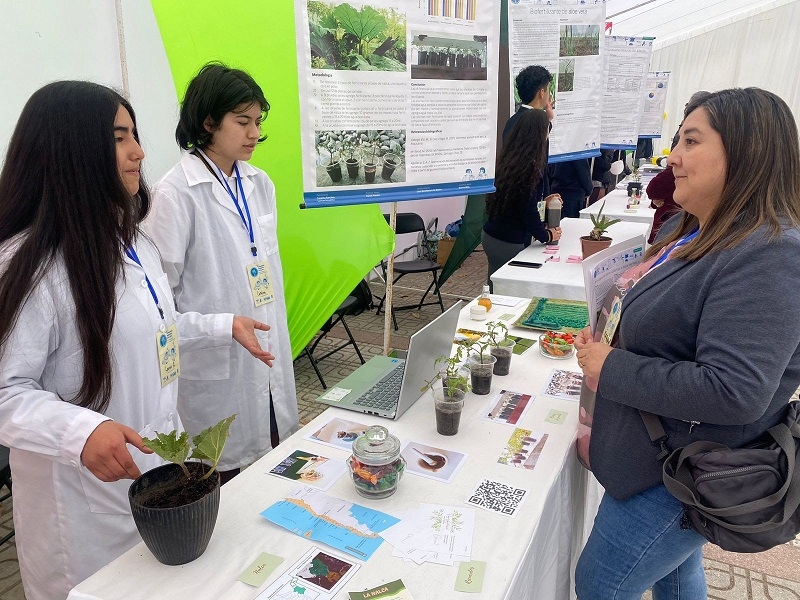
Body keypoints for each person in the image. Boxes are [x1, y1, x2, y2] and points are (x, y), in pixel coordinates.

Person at [0, 81, 276, 600]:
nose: (139, 151)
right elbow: (6, 391)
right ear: (70, 149)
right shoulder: (27, 266)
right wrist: (80, 431)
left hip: (154, 476)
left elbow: (156, 328)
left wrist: (223, 325)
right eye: (119, 137)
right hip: (83, 506)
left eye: (135, 135)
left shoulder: (128, 242)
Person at [573, 87, 800, 599]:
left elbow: (734, 391)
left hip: (680, 471)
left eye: (691, 141)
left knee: (600, 585)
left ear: (746, 152)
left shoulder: (770, 251)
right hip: (660, 459)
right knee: (675, 575)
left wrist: (610, 367)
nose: (672, 156)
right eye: (677, 139)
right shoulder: (697, 228)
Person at [144, 63, 299, 484]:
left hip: (266, 354)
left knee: (273, 458)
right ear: (208, 121)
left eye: (258, 122)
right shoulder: (173, 196)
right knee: (223, 474)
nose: (254, 134)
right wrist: (220, 326)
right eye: (242, 121)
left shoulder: (259, 183)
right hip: (214, 365)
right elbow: (155, 306)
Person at [482, 109, 562, 283]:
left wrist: (542, 201)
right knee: (506, 289)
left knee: (494, 285)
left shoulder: (510, 160)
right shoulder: (530, 168)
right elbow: (527, 210)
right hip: (509, 241)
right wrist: (546, 235)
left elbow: (520, 200)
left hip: (492, 235)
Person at [503, 64, 554, 143]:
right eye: (548, 89)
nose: (549, 94)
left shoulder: (512, 121)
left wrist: (548, 118)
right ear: (542, 93)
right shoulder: (536, 125)